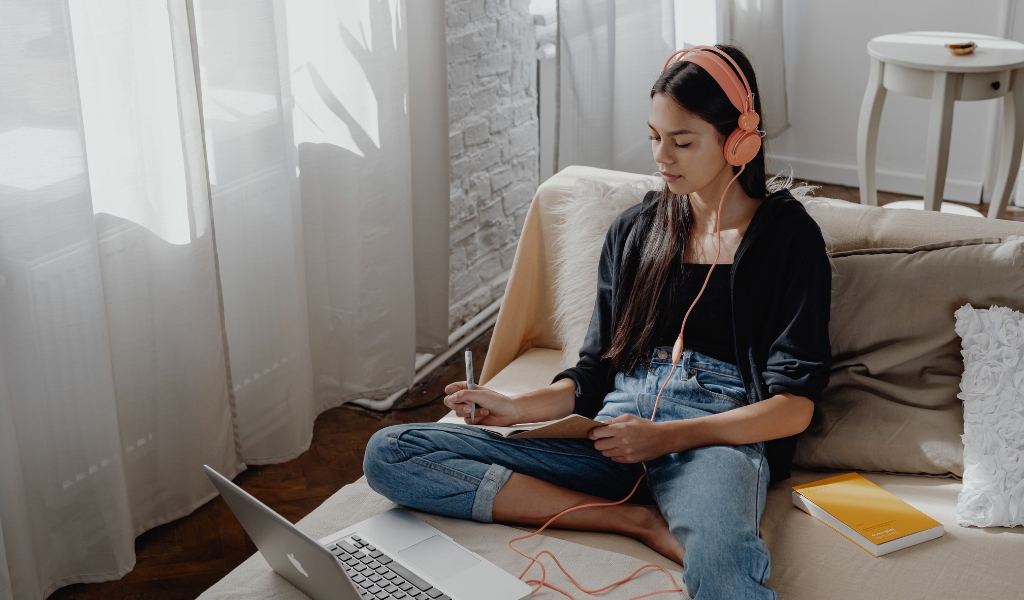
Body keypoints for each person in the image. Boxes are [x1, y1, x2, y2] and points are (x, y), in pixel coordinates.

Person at [363, 44, 832, 600]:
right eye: (655, 137)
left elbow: (794, 407)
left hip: (711, 440)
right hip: (614, 435)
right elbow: (593, 374)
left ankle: (666, 513)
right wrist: (512, 407)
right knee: (391, 453)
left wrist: (665, 438)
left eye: (682, 141)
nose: (662, 157)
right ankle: (632, 520)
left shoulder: (788, 238)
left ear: (739, 141)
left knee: (725, 575)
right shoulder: (635, 230)